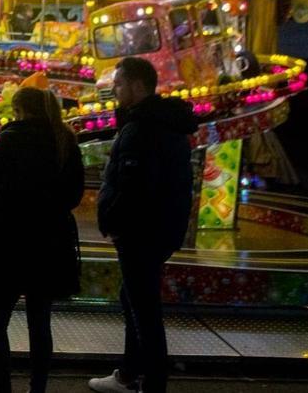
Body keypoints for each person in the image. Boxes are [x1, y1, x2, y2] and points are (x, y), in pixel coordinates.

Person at [89, 57, 196, 393]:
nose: (114, 89)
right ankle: (129, 372)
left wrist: (115, 222)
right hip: (161, 227)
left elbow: (134, 186)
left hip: (141, 231)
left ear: (137, 85)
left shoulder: (141, 128)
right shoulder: (165, 123)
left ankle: (150, 381)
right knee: (134, 297)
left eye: (118, 83)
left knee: (143, 307)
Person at [0, 88, 83, 393]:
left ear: (20, 110)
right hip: (49, 243)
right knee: (39, 322)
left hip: (8, 241)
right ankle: (37, 389)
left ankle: (2, 388)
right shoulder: (66, 141)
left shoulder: (11, 140)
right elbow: (74, 196)